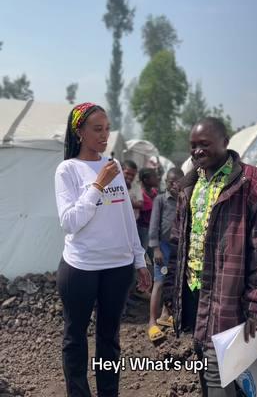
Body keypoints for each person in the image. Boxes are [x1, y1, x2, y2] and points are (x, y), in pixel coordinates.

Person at [163, 117, 257, 397]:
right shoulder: (191, 185)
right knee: (206, 369)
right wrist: (173, 293)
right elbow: (178, 245)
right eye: (193, 146)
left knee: (217, 374)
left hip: (229, 303)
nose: (196, 152)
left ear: (225, 142)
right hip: (195, 297)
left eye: (204, 145)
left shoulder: (252, 184)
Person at [54, 102, 151, 397]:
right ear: (79, 132)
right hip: (81, 268)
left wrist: (139, 259)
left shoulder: (114, 165)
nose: (104, 136)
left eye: (107, 129)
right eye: (97, 129)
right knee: (76, 337)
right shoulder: (68, 170)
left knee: (109, 338)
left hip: (118, 269)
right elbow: (70, 222)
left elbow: (125, 217)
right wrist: (97, 185)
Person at [148, 168, 184, 342]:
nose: (173, 185)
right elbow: (154, 225)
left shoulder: (185, 200)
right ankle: (151, 322)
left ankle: (165, 314)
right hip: (163, 247)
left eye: (176, 181)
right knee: (159, 282)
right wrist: (155, 248)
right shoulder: (161, 200)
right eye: (170, 182)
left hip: (179, 248)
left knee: (174, 283)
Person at [136, 168, 159, 251]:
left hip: (153, 228)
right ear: (146, 180)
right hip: (143, 228)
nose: (158, 178)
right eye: (154, 177)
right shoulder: (141, 195)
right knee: (143, 251)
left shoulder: (155, 192)